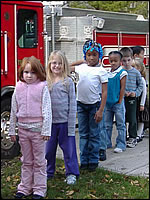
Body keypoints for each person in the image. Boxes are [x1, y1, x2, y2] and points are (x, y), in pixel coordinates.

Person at [8, 56, 52, 199]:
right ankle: (25, 187)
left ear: (38, 72)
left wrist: (46, 130)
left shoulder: (42, 87)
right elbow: (14, 109)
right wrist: (12, 129)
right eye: (26, 72)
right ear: (21, 73)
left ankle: (39, 189)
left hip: (38, 131)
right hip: (23, 130)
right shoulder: (18, 87)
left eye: (32, 73)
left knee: (39, 161)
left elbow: (47, 109)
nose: (29, 76)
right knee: (26, 160)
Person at [71, 40, 108, 171]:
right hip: (81, 106)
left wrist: (101, 110)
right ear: (85, 56)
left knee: (94, 134)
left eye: (94, 55)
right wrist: (81, 61)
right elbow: (67, 67)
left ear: (99, 56)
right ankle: (84, 160)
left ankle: (93, 160)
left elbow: (104, 92)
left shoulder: (101, 71)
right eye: (88, 55)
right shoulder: (81, 68)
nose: (91, 58)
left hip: (94, 106)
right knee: (83, 134)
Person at [45, 50, 80, 185]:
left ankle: (71, 173)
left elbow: (72, 104)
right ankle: (48, 171)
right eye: (54, 63)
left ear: (64, 65)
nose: (57, 66)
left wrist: (71, 125)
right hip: (50, 124)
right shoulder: (46, 82)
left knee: (69, 150)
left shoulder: (68, 82)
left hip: (65, 123)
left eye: (60, 63)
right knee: (48, 150)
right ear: (49, 64)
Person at [120, 47, 143, 148]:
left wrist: (135, 93)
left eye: (128, 60)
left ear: (132, 59)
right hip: (122, 98)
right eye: (124, 60)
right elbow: (117, 85)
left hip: (132, 99)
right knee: (122, 118)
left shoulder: (135, 72)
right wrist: (123, 92)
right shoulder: (120, 71)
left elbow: (141, 85)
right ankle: (122, 137)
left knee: (132, 118)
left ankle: (133, 137)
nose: (126, 62)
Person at [105, 51, 127, 153]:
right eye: (111, 61)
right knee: (107, 124)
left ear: (120, 61)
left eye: (115, 61)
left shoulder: (122, 73)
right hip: (107, 103)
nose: (113, 63)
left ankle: (121, 143)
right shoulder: (107, 72)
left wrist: (120, 100)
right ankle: (107, 142)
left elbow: (122, 88)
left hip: (117, 102)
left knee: (120, 124)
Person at [132, 58, 148, 142]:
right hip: (134, 101)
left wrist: (142, 103)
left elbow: (144, 92)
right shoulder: (131, 78)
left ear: (140, 68)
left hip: (141, 101)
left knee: (141, 118)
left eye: (134, 67)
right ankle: (133, 133)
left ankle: (139, 134)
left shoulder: (141, 79)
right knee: (135, 117)